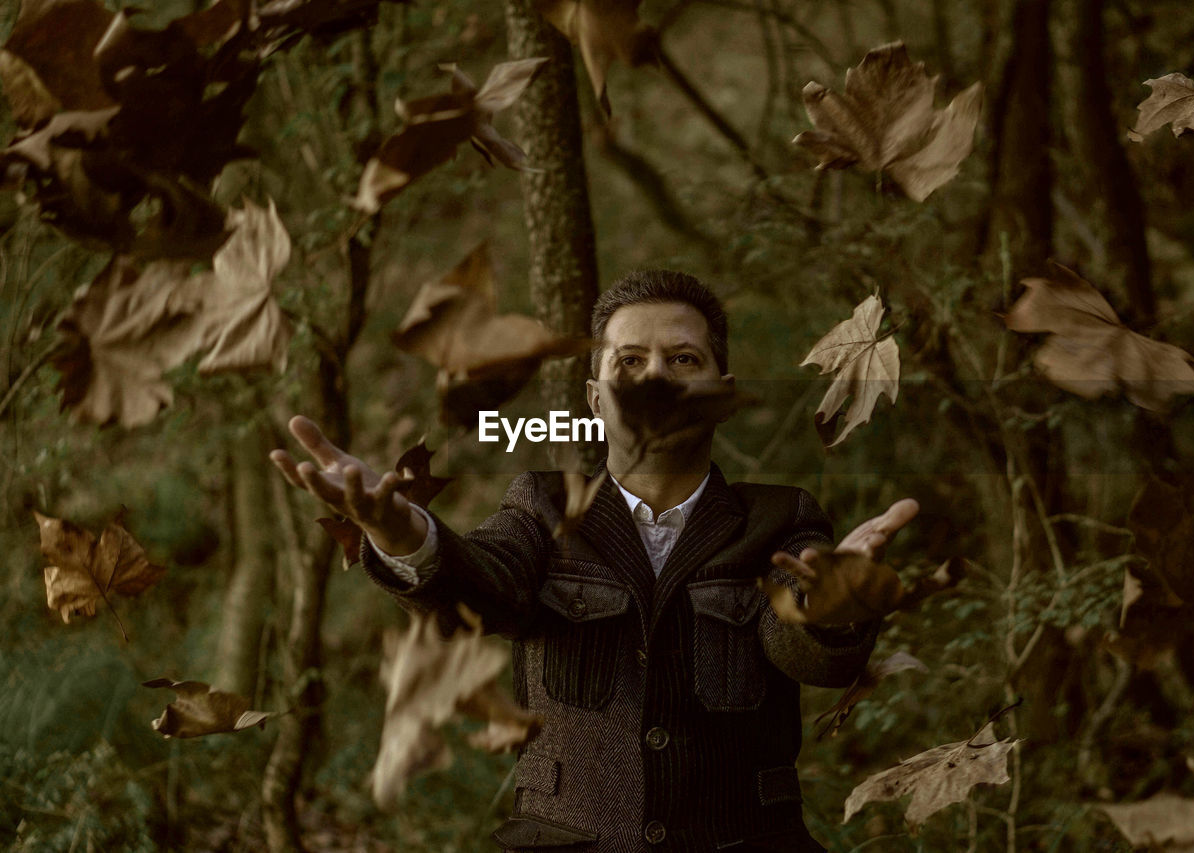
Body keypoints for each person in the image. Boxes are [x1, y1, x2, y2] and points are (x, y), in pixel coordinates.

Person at [270, 269, 918, 852]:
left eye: (682, 358)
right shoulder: (541, 508)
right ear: (593, 396)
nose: (655, 377)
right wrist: (399, 531)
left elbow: (800, 639)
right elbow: (481, 584)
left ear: (721, 390)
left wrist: (831, 603)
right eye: (629, 360)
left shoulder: (780, 518)